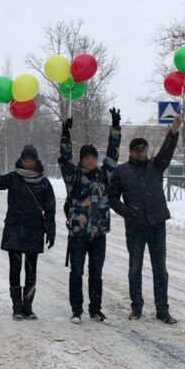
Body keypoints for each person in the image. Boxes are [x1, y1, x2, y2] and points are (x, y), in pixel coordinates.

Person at [109, 116, 182, 324]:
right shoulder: (121, 172)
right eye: (138, 151)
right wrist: (127, 212)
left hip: (157, 224)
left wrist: (173, 132)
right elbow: (112, 197)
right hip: (135, 228)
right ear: (131, 152)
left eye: (144, 150)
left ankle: (162, 309)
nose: (142, 154)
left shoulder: (155, 166)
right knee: (135, 268)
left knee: (160, 269)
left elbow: (166, 151)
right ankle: (136, 307)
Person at [59, 110, 121, 324]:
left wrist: (115, 128)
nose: (91, 161)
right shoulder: (73, 176)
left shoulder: (105, 175)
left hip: (99, 234)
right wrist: (65, 133)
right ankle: (77, 310)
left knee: (96, 273)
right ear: (82, 159)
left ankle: (95, 309)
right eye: (86, 157)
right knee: (76, 272)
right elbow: (63, 158)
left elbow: (113, 155)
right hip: (78, 234)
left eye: (93, 157)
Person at [0, 145, 57, 320]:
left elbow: (51, 209)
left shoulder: (44, 183)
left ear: (36, 161)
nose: (28, 162)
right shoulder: (13, 178)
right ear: (22, 160)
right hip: (15, 229)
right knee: (15, 270)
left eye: (31, 159)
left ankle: (28, 307)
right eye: (25, 159)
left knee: (31, 271)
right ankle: (17, 307)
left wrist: (51, 231)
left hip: (34, 231)